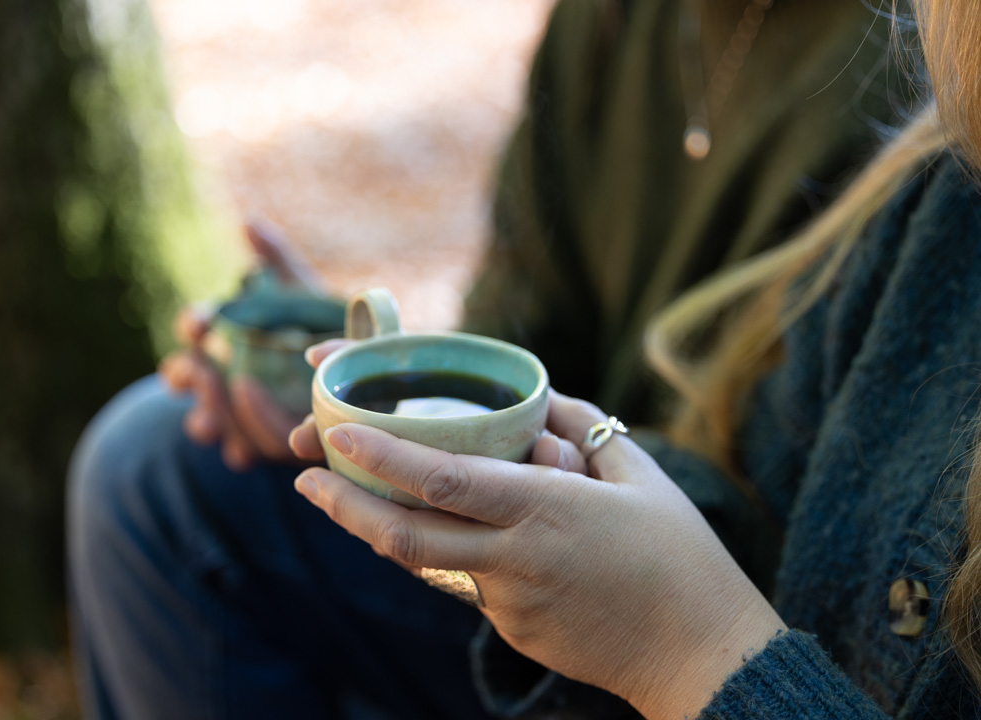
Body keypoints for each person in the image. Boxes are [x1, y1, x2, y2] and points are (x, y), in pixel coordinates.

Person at [66, 0, 921, 718]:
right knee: (155, 461)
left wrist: (559, 462)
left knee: (151, 484)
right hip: (560, 498)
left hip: (703, 605)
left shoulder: (908, 77)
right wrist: (367, 378)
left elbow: (801, 535)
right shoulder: (614, 22)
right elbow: (520, 333)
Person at [290, 0, 981, 716]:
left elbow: (697, 614)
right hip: (598, 577)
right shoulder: (933, 200)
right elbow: (760, 489)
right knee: (174, 450)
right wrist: (518, 449)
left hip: (632, 630)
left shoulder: (890, 70)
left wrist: (688, 644)